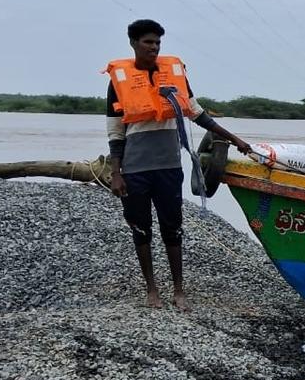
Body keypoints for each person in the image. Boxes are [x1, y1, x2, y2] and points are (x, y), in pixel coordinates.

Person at [105, 18, 251, 310]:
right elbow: (115, 132)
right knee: (141, 228)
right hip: (135, 169)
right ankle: (151, 290)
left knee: (173, 228)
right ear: (134, 43)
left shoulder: (174, 76)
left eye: (158, 43)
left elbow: (198, 115)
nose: (154, 47)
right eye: (148, 42)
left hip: (169, 167)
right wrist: (116, 173)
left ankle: (179, 290)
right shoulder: (118, 83)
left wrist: (236, 140)